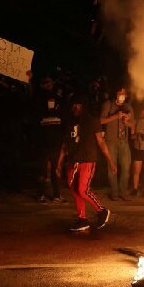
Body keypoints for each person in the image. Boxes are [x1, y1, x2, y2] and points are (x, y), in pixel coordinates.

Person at [56, 94, 116, 232]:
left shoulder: (92, 120)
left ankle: (102, 211)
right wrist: (59, 163)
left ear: (84, 106)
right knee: (73, 188)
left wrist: (111, 161)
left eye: (79, 105)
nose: (76, 108)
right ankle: (82, 218)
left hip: (88, 160)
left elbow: (101, 142)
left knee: (82, 190)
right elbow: (65, 144)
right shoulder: (70, 122)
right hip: (73, 160)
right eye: (74, 105)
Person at [33, 75, 67, 203]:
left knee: (55, 170)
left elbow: (64, 120)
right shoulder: (38, 99)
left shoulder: (59, 99)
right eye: (44, 82)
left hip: (55, 142)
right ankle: (40, 194)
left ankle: (57, 194)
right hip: (43, 142)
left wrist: (64, 140)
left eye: (49, 82)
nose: (47, 85)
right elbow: (35, 120)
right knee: (42, 169)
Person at [100, 86, 133, 201]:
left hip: (124, 141)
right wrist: (115, 117)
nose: (122, 95)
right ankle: (114, 193)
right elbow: (101, 120)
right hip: (111, 140)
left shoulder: (128, 107)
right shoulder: (108, 105)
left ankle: (123, 192)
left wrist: (127, 121)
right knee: (112, 168)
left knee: (126, 167)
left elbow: (132, 125)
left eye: (124, 94)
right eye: (120, 93)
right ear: (116, 94)